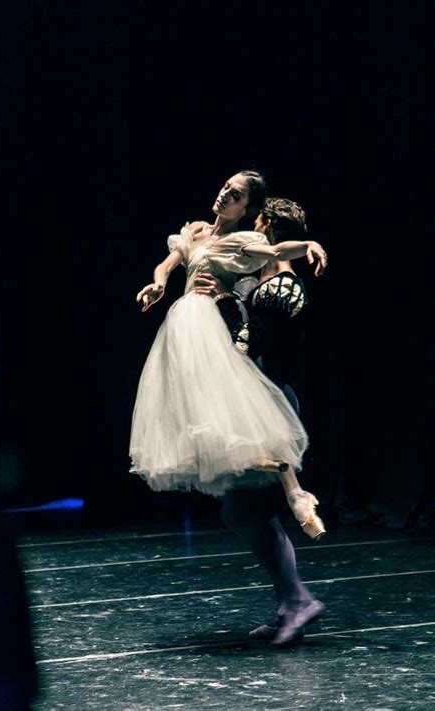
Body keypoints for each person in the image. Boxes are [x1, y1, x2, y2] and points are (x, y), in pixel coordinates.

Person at [130, 171, 326, 535]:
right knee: (194, 399)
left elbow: (274, 250)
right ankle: (287, 488)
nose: (224, 195)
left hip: (208, 320)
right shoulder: (197, 231)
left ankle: (295, 492)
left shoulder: (241, 241)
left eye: (234, 195)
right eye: (225, 187)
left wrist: (307, 244)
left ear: (247, 207)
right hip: (180, 320)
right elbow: (167, 264)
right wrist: (158, 285)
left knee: (238, 398)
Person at [192, 196, 327, 645]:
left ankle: (298, 601)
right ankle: (292, 602)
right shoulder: (265, 282)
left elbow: (259, 347)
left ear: (267, 226)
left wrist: (227, 299)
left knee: (246, 508)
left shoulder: (281, 287)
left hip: (269, 401)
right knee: (243, 510)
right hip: (256, 399)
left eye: (257, 224)